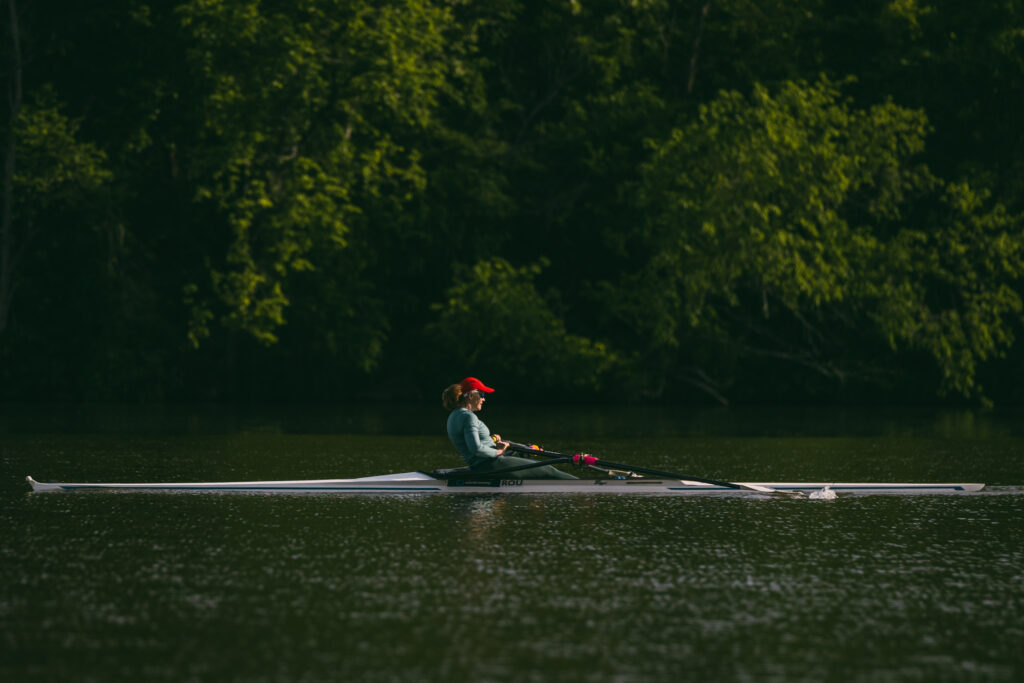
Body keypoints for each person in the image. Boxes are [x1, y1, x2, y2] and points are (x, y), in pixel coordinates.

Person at [442, 377, 577, 479]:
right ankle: (582, 487)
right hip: (491, 464)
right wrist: (498, 451)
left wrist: (490, 440)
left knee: (532, 464)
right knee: (547, 469)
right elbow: (476, 449)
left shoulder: (453, 416)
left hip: (480, 465)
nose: (484, 399)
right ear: (471, 395)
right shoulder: (468, 417)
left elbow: (470, 443)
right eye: (482, 394)